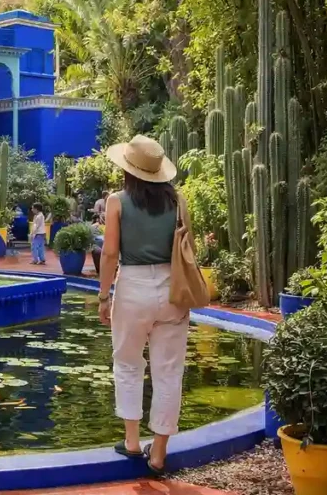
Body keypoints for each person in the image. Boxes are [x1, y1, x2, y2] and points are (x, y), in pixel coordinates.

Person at [98, 134, 187, 477]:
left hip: (133, 286)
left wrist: (104, 296)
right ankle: (160, 452)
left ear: (128, 169)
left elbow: (109, 254)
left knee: (128, 363)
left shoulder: (116, 202)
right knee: (169, 371)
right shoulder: (177, 200)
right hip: (172, 289)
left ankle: (133, 442)